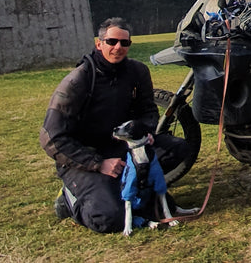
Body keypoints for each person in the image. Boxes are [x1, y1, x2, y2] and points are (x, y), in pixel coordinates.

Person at [40, 17, 183, 233]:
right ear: (99, 44)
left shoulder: (137, 72)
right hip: (85, 157)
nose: (118, 47)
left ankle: (135, 189)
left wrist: (145, 131)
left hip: (123, 148)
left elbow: (148, 111)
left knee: (177, 148)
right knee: (109, 218)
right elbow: (51, 137)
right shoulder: (77, 81)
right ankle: (69, 198)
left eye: (124, 43)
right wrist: (98, 163)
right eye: (112, 42)